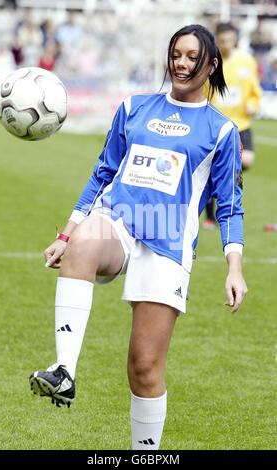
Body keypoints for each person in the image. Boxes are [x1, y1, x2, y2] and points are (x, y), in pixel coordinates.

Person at [29, 24, 248, 450]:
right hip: (119, 223)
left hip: (167, 244)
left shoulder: (221, 131)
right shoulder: (133, 108)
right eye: (175, 55)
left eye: (192, 57)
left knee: (144, 368)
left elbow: (229, 206)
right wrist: (66, 233)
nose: (181, 64)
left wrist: (233, 268)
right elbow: (102, 174)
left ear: (212, 64)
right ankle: (64, 371)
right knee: (86, 240)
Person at [203, 21, 262, 230]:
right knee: (211, 170)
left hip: (240, 123)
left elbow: (255, 90)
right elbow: (204, 92)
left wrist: (253, 104)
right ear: (216, 40)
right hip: (216, 124)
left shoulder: (247, 61)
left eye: (230, 40)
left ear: (235, 40)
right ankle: (211, 217)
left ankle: (225, 179)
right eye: (222, 41)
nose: (226, 44)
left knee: (246, 160)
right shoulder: (210, 62)